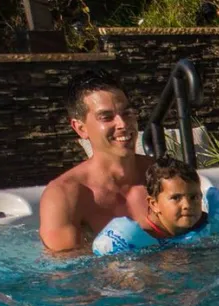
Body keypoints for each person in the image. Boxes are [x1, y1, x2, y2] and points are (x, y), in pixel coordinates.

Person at [39, 70, 151, 254]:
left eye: (127, 113)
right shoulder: (64, 195)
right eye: (106, 117)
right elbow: (65, 274)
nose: (123, 124)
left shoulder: (163, 177)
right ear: (81, 128)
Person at [92, 156, 219, 256]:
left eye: (194, 197)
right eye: (176, 198)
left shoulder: (209, 225)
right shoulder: (135, 241)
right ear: (154, 204)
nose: (187, 205)